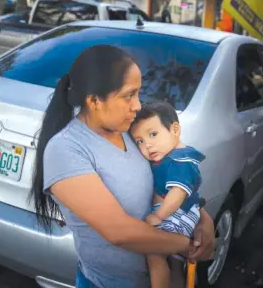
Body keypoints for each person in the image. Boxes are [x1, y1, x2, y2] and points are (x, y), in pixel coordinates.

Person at [29, 44, 215, 288]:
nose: (137, 105)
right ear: (94, 100)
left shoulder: (132, 131)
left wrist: (203, 220)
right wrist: (189, 245)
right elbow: (120, 233)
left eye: (139, 93)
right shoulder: (66, 149)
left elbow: (170, 179)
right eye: (129, 95)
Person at [130, 101, 206, 288]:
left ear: (175, 130)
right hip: (175, 213)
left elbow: (177, 194)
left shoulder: (180, 160)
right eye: (140, 141)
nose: (147, 145)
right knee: (173, 262)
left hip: (177, 215)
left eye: (153, 134)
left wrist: (158, 216)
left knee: (153, 251)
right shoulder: (168, 157)